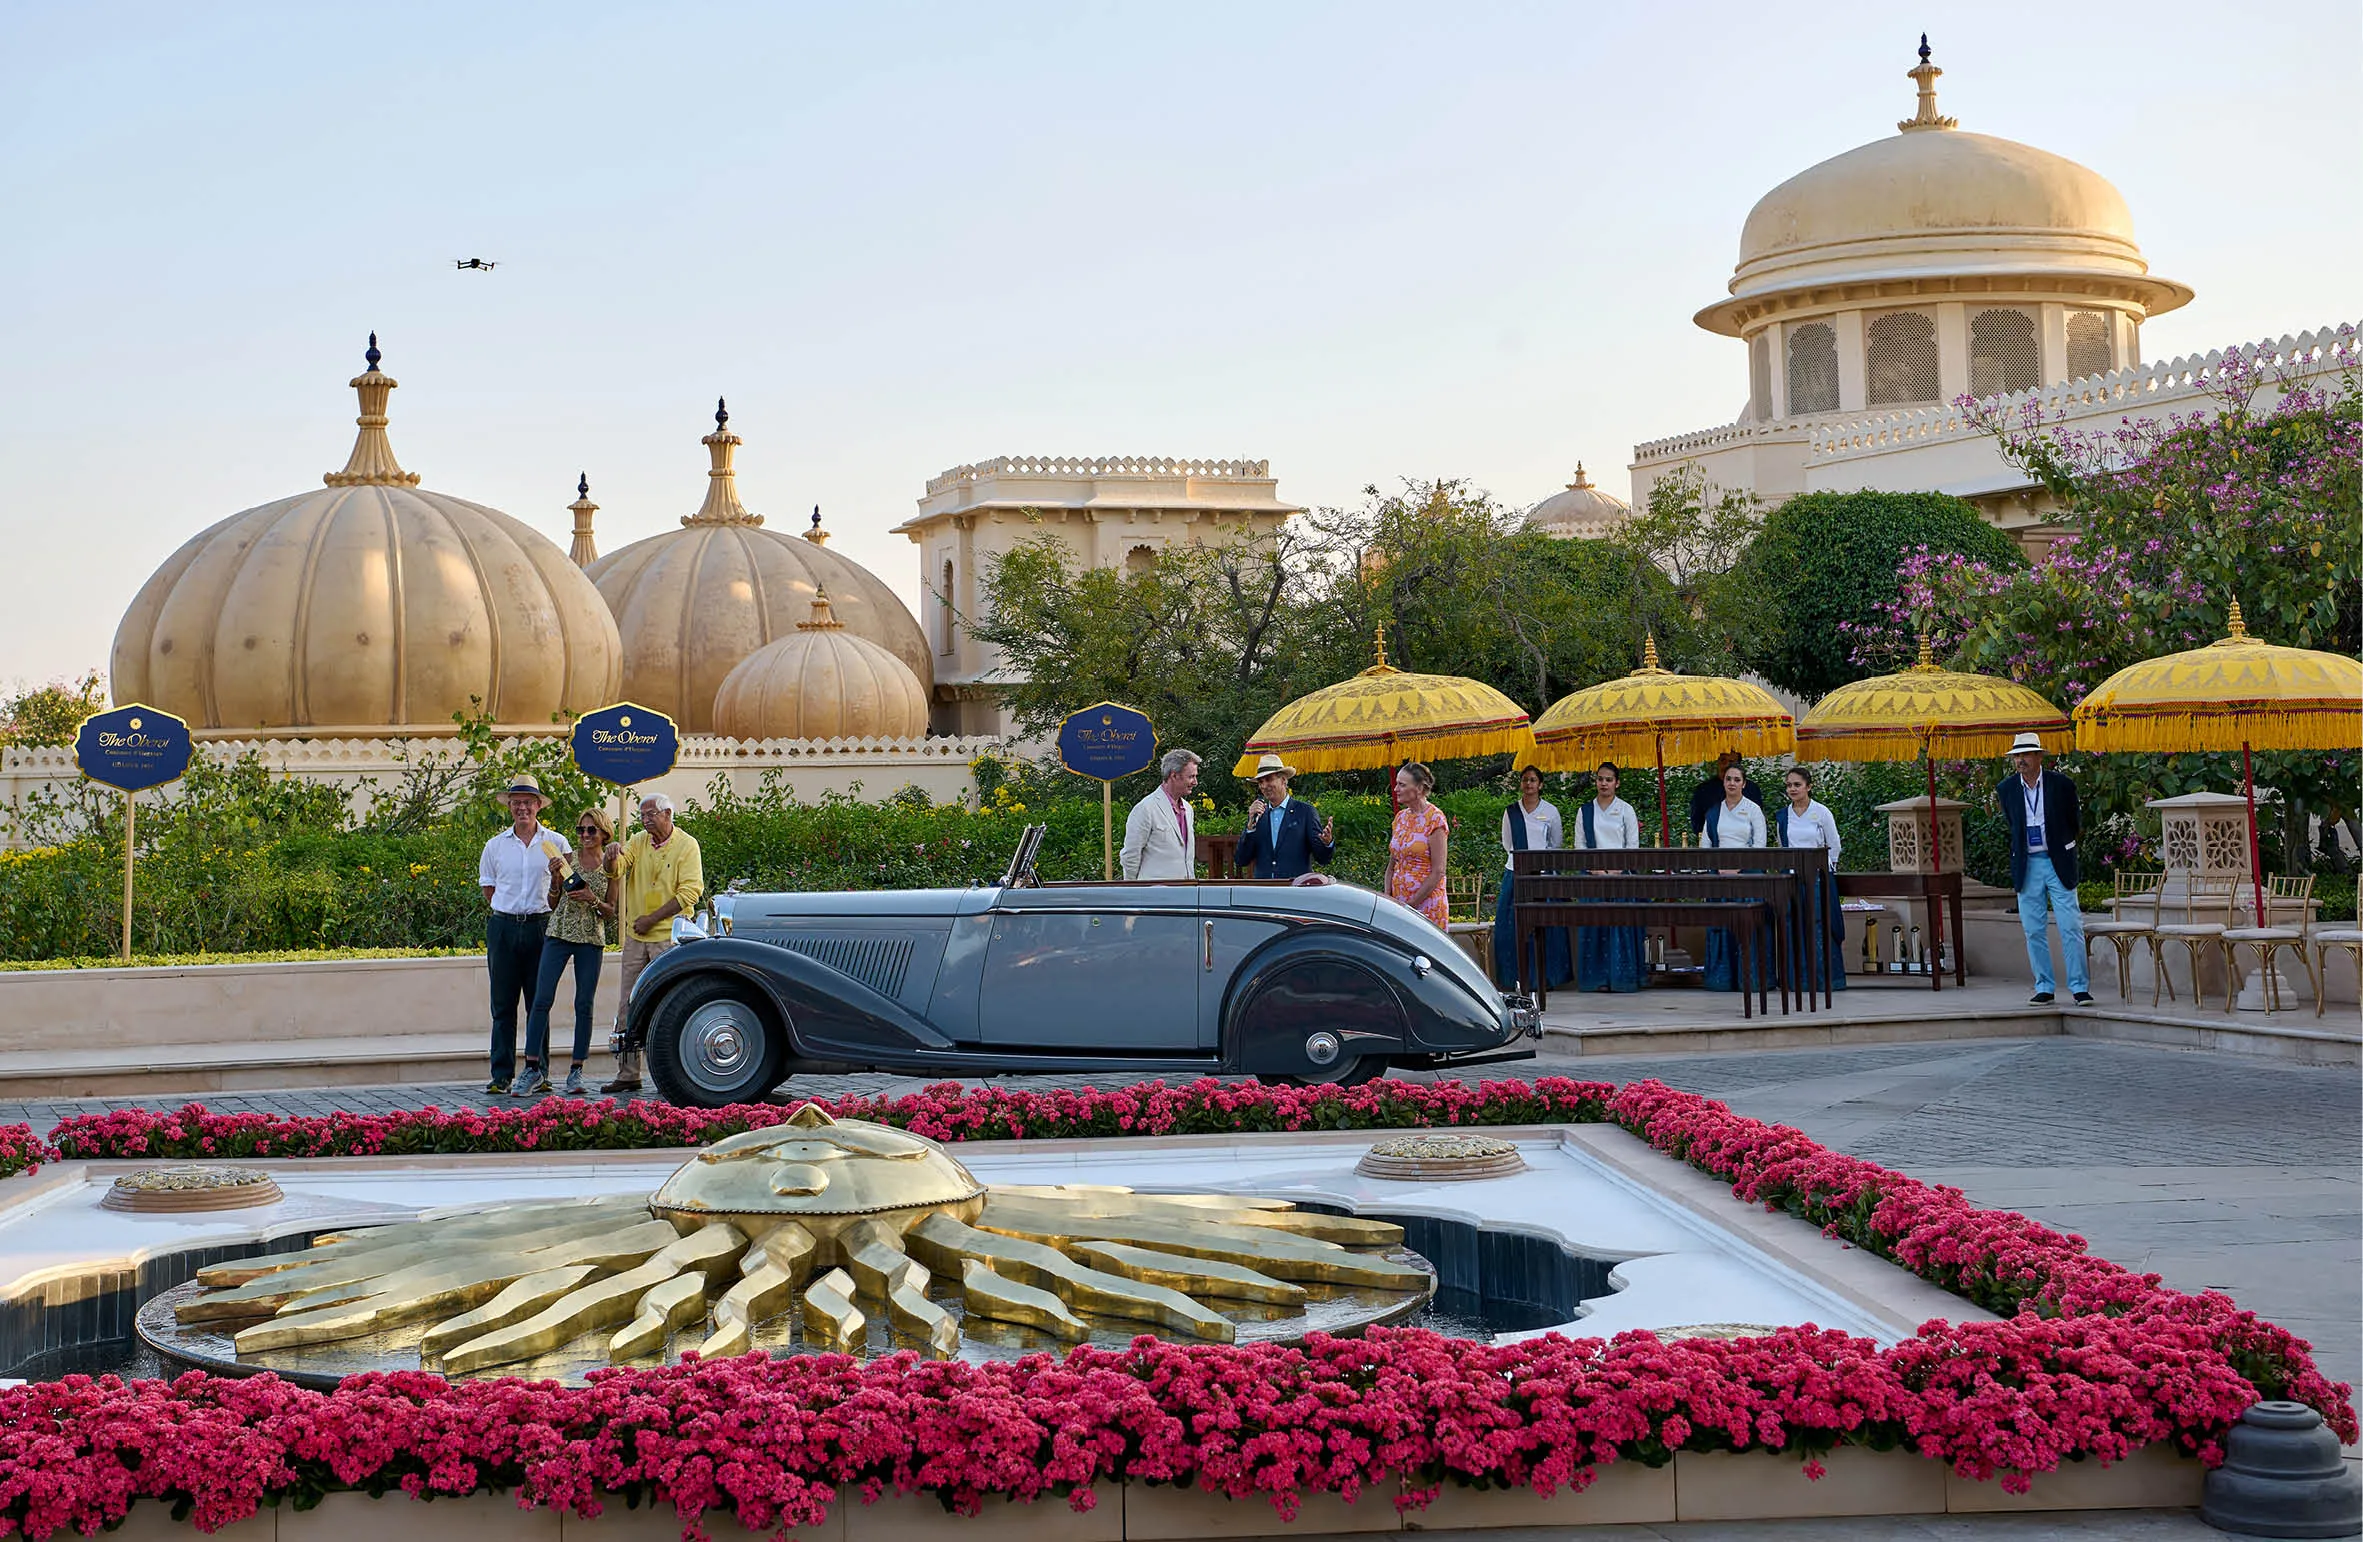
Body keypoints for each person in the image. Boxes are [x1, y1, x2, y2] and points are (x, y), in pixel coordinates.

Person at [601, 792, 706, 1094]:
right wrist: (610, 858)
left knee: (669, 1006)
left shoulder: (687, 845)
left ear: (668, 814)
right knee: (628, 1004)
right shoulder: (638, 841)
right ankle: (628, 1074)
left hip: (669, 937)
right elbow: (618, 869)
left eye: (651, 814)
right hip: (636, 937)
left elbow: (690, 893)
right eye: (642, 815)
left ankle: (671, 1075)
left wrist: (652, 918)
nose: (645, 820)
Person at [521, 806, 621, 1098]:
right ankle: (531, 1067)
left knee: (584, 1004)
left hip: (591, 938)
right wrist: (555, 881)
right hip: (559, 934)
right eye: (580, 830)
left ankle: (577, 1069)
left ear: (604, 833)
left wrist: (591, 899)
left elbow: (610, 911)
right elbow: (552, 904)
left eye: (591, 830)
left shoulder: (611, 866)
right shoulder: (567, 859)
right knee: (541, 999)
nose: (585, 835)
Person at [477, 774, 568, 1096]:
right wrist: (510, 912)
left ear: (538, 805)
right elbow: (489, 887)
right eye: (516, 803)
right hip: (504, 927)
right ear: (510, 807)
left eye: (528, 803)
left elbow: (567, 885)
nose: (522, 808)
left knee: (538, 1002)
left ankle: (539, 1071)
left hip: (540, 927)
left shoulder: (556, 843)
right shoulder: (495, 845)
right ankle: (501, 1075)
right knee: (502, 1005)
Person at [1998, 732, 2092, 1006]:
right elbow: (2012, 823)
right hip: (2027, 864)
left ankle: (2079, 987)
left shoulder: (2061, 784)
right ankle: (2044, 987)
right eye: (2017, 755)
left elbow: (2074, 821)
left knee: (2070, 926)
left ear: (2039, 756)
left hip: (2057, 860)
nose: (2021, 760)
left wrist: (2062, 845)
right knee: (2033, 930)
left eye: (2026, 754)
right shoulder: (2006, 788)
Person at [1492, 766, 1571, 989]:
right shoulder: (1511, 812)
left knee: (1547, 928)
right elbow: (1507, 843)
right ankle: (1515, 978)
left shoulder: (1550, 811)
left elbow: (1556, 843)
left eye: (1533, 780)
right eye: (1525, 780)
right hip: (1516, 873)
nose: (1529, 784)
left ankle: (1547, 979)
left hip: (1543, 875)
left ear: (1540, 784)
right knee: (1511, 927)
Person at [1573, 761, 1645, 993]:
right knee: (1595, 928)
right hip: (1592, 876)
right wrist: (1595, 869)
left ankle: (1622, 978)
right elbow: (1580, 845)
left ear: (1617, 783)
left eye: (1608, 779)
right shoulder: (1585, 811)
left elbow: (1632, 845)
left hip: (1620, 877)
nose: (1604, 783)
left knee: (1619, 927)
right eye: (1600, 779)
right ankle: (1596, 980)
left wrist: (1616, 869)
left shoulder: (1625, 810)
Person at [1774, 766, 1847, 992]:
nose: (1792, 789)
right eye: (1789, 785)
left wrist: (1826, 871)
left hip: (1816, 878)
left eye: (1797, 784)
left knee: (1818, 924)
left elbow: (1834, 844)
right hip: (1792, 878)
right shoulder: (1783, 816)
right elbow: (1782, 845)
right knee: (1794, 924)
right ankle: (1798, 980)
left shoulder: (1821, 812)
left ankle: (1825, 980)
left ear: (1809, 786)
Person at [1699, 762, 1768, 992]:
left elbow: (1759, 844)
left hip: (1747, 877)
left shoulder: (1753, 810)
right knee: (1721, 924)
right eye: (1728, 779)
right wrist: (1719, 867)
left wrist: (1739, 867)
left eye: (1737, 780)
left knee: (1747, 927)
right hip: (1720, 876)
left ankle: (1749, 978)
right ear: (1723, 782)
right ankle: (1721, 978)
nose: (1732, 783)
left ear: (1744, 784)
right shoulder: (1713, 812)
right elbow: (1706, 846)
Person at [1235, 753, 1336, 880]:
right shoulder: (1258, 816)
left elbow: (1323, 859)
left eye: (1269, 779)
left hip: (1294, 888)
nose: (1264, 786)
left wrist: (1326, 843)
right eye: (1260, 782)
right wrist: (1250, 828)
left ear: (1283, 780)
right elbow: (1241, 860)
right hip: (1264, 888)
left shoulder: (1305, 812)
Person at [1385, 761, 1450, 927]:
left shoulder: (1435, 819)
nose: (1396, 789)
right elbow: (1392, 864)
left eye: (1402, 785)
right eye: (1397, 784)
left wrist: (1411, 905)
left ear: (1420, 788)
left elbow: (1438, 871)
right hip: (1399, 905)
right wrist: (1387, 899)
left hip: (1426, 905)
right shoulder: (1400, 818)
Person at [1121, 749, 1201, 880]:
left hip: (1186, 889)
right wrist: (1133, 888)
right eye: (1191, 777)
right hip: (1153, 890)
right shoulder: (1145, 808)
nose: (1195, 782)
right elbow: (1130, 856)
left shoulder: (1188, 809)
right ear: (1174, 776)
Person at [1688, 750, 1765, 843]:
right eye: (1723, 760)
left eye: (1731, 762)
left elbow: (1758, 825)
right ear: (1718, 762)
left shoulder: (1751, 789)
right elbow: (1697, 823)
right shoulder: (1703, 790)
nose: (1727, 765)